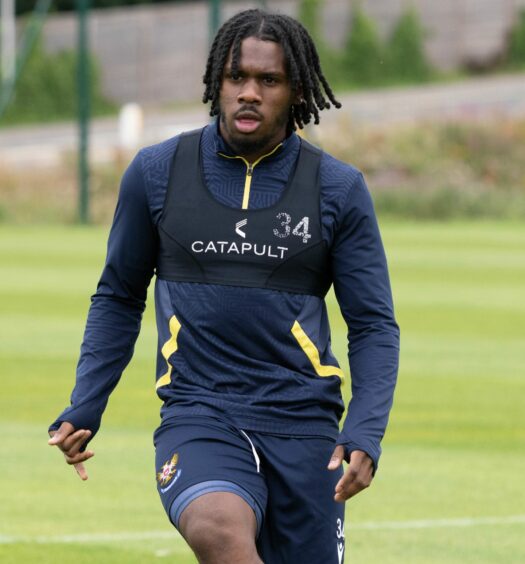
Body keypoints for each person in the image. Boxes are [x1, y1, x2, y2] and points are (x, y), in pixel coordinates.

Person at [48, 9, 399, 564]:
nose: (249, 93)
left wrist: (365, 429)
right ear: (217, 82)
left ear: (296, 89)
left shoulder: (337, 189)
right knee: (219, 530)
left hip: (305, 426)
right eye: (237, 77)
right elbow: (118, 295)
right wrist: (86, 403)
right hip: (199, 413)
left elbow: (374, 324)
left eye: (268, 80)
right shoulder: (158, 172)